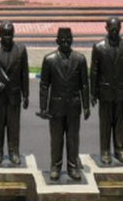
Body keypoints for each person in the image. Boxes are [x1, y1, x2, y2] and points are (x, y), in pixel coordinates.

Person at [38, 27, 90, 182]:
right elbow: (44, 85)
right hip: (56, 106)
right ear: (57, 41)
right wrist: (43, 107)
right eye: (63, 40)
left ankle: (73, 166)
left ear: (72, 40)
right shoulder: (49, 60)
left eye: (69, 40)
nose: (66, 43)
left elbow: (84, 85)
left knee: (73, 138)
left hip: (74, 106)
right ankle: (55, 166)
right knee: (56, 139)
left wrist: (86, 106)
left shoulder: (80, 59)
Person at [0, 22, 30, 166]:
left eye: (10, 34)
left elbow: (24, 73)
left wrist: (26, 94)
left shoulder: (21, 50)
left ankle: (14, 152)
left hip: (14, 96)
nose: (8, 37)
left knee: (14, 125)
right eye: (5, 34)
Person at [90, 17, 123, 165]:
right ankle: (105, 151)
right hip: (105, 92)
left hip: (122, 92)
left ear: (121, 28)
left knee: (120, 123)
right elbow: (94, 72)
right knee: (105, 123)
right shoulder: (98, 47)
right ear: (106, 29)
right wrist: (93, 92)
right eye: (111, 29)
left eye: (117, 28)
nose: (114, 31)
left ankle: (119, 150)